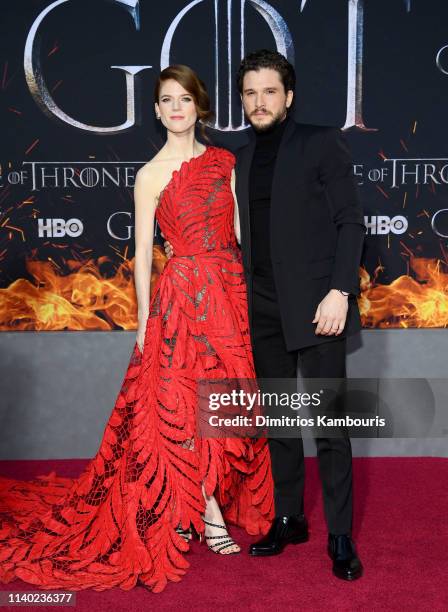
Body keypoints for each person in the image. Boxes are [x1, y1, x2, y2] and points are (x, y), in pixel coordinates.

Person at [0, 65, 274, 594]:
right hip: (179, 304)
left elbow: (243, 233)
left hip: (227, 294)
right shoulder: (149, 175)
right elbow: (144, 257)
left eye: (184, 99)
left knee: (223, 403)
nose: (176, 108)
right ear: (156, 110)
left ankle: (194, 499)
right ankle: (207, 509)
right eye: (166, 100)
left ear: (200, 106)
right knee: (179, 406)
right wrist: (144, 324)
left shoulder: (224, 162)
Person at [165, 49, 365, 581]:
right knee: (278, 421)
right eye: (250, 93)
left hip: (321, 307)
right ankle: (290, 517)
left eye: (269, 91)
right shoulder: (240, 157)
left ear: (288, 97)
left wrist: (340, 292)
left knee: (330, 425)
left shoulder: (321, 142)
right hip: (262, 309)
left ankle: (340, 535)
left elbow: (350, 222)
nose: (259, 101)